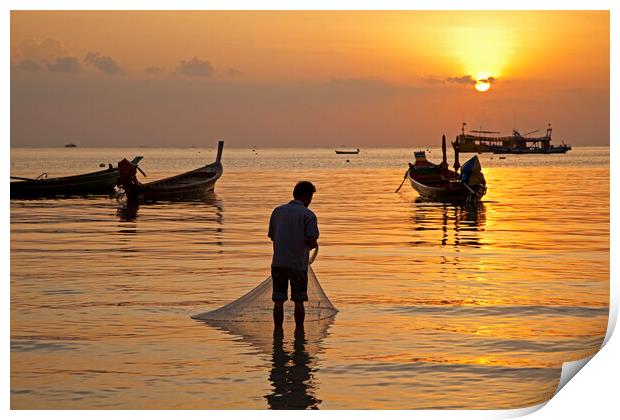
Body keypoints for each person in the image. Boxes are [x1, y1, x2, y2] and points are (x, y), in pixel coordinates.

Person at [268, 181, 319, 331]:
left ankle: (278, 332)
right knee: (299, 301)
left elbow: (273, 236)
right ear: (306, 197)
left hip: (278, 263)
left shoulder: (277, 211)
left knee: (278, 301)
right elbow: (311, 240)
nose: (310, 202)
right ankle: (299, 333)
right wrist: (313, 244)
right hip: (298, 265)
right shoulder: (308, 215)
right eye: (310, 198)